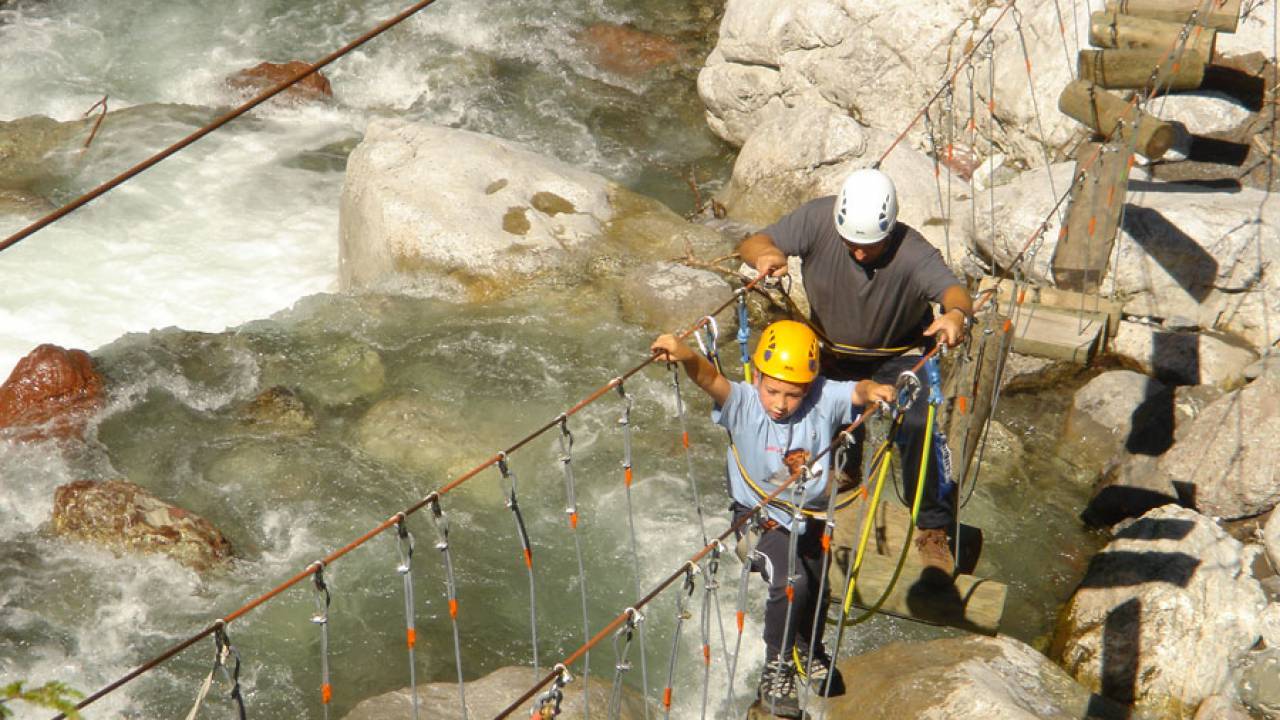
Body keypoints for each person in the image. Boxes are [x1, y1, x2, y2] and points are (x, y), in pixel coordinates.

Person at [735, 167, 973, 576]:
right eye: (853, 244)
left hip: (897, 356)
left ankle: (934, 526)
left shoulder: (913, 251)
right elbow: (756, 240)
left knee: (918, 423)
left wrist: (954, 315)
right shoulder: (817, 220)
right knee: (801, 407)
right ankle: (838, 473)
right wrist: (766, 255)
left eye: (871, 246)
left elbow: (955, 293)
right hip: (831, 348)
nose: (860, 253)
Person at [651, 320, 894, 718]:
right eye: (773, 390)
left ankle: (808, 647)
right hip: (760, 520)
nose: (780, 403)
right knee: (791, 579)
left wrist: (876, 392)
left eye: (793, 394)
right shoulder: (745, 404)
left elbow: (858, 390)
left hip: (810, 517)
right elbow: (711, 379)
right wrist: (686, 355)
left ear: (810, 387)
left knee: (817, 585)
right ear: (758, 378)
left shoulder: (823, 398)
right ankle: (775, 668)